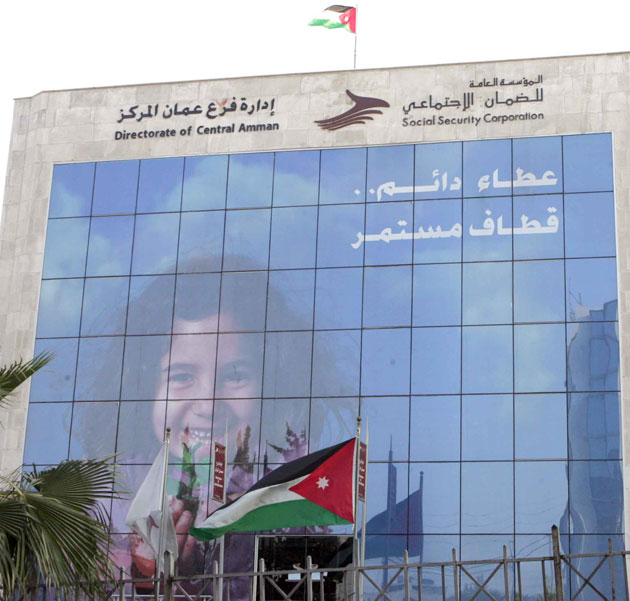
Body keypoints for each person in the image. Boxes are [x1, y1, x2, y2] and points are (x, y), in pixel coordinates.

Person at [77, 255, 354, 582]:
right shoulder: (102, 499)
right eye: (182, 377)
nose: (208, 404)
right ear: (145, 389)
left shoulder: (285, 499)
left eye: (235, 376)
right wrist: (146, 572)